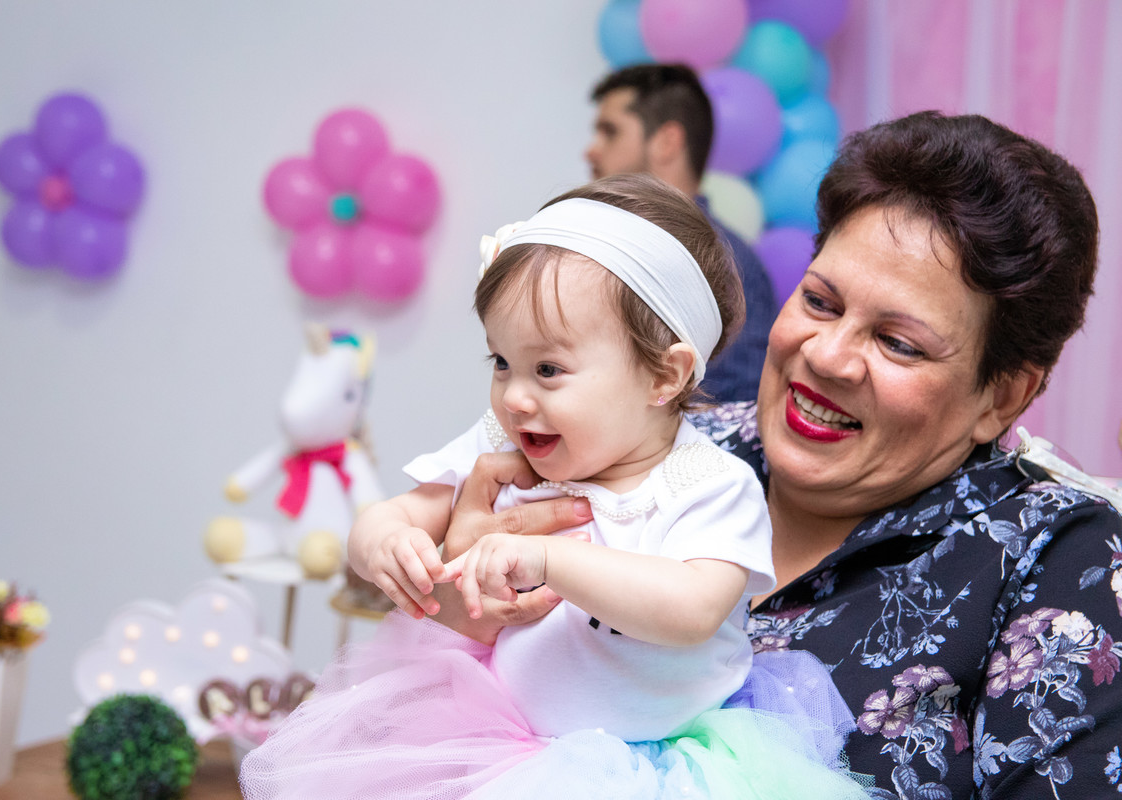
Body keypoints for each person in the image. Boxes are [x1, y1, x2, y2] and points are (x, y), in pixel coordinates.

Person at [432, 112, 1122, 798]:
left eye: (899, 343)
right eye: (820, 301)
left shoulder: (1058, 556)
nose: (826, 356)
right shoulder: (668, 440)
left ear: (1001, 396)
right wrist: (454, 576)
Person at [239, 174, 869, 799]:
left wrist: (551, 557)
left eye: (548, 369)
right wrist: (383, 543)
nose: (514, 396)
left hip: (664, 765)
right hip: (497, 737)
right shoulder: (501, 440)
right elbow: (401, 511)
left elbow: (694, 610)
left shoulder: (708, 482)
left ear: (664, 376)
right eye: (501, 362)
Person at [586, 63, 777, 402]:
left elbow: (736, 409)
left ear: (666, 142)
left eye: (610, 131)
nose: (592, 150)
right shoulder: (602, 246)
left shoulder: (727, 264)